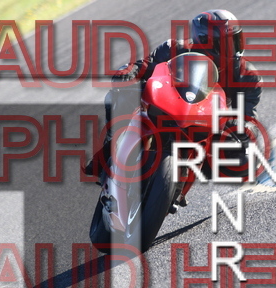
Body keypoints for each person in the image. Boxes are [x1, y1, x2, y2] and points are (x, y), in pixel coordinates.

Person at [84, 9, 263, 177]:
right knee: (122, 92)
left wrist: (242, 128)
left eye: (236, 41)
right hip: (167, 106)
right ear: (203, 41)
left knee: (244, 154)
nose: (234, 49)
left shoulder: (248, 75)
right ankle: (113, 143)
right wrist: (129, 71)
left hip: (208, 124)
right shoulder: (175, 48)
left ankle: (186, 178)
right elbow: (147, 65)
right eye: (225, 44)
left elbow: (248, 117)